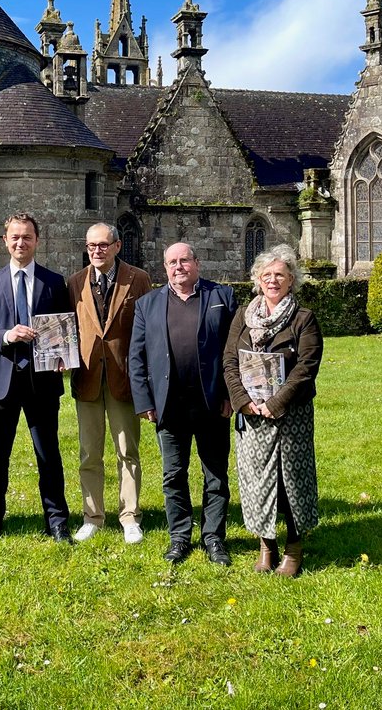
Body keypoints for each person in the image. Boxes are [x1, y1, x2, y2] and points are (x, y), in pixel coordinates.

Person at [129, 242, 237, 565]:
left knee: (215, 475)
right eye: (172, 262)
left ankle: (214, 538)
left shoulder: (222, 297)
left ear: (197, 264)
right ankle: (179, 536)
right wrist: (144, 401)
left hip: (212, 403)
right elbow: (136, 357)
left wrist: (231, 395)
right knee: (173, 475)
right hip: (168, 405)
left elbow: (235, 353)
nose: (178, 267)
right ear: (165, 268)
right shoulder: (147, 304)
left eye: (184, 260)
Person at [0, 212, 73, 544]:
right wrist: (7, 335)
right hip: (2, 383)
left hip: (42, 383)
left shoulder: (54, 282)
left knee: (48, 455)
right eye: (14, 237)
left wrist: (63, 356)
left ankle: (57, 521)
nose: (20, 242)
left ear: (37, 241)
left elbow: (63, 329)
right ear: (5, 241)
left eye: (27, 237)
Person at [222, 244, 322, 577]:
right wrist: (243, 401)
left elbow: (306, 368)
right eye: (266, 275)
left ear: (292, 279)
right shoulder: (243, 317)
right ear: (257, 280)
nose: (273, 280)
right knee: (256, 481)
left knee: (291, 480)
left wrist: (275, 404)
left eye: (280, 274)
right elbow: (230, 362)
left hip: (290, 415)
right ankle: (266, 545)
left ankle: (293, 549)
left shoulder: (303, 319)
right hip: (251, 415)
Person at [68, 223, 152, 543]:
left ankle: (130, 516)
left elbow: (148, 328)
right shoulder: (76, 282)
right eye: (91, 246)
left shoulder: (138, 279)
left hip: (124, 378)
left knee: (127, 450)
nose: (96, 251)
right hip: (88, 377)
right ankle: (93, 516)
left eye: (103, 245)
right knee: (89, 453)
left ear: (117, 246)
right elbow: (69, 329)